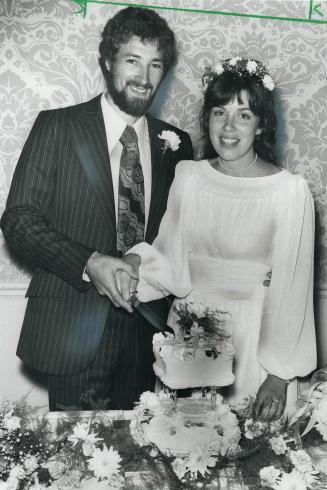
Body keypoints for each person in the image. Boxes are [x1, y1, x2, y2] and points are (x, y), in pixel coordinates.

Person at [0, 7, 193, 411]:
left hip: (148, 333)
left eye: (155, 64)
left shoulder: (176, 143)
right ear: (107, 62)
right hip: (72, 329)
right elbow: (18, 220)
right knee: (75, 464)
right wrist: (90, 262)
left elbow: (180, 236)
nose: (144, 77)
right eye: (132, 61)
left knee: (137, 464)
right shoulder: (57, 126)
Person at [124, 57, 317, 421]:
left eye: (244, 115)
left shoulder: (288, 191)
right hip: (191, 333)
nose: (229, 127)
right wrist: (131, 266)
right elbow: (169, 259)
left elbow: (292, 288)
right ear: (207, 119)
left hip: (256, 340)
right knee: (182, 448)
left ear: (261, 125)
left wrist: (277, 376)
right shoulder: (190, 178)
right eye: (219, 112)